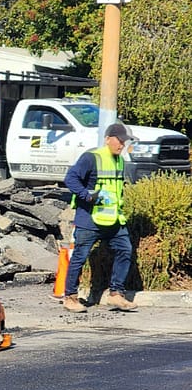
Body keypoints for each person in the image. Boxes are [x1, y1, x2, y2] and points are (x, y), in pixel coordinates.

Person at [62, 121, 136, 312]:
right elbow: (70, 179)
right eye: (120, 141)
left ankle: (116, 294)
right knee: (80, 256)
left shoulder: (120, 160)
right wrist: (86, 195)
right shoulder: (91, 157)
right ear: (108, 139)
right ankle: (70, 297)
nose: (122, 145)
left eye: (125, 142)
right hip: (89, 218)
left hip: (112, 219)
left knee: (125, 250)